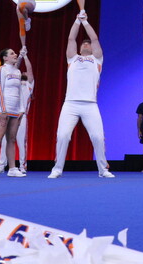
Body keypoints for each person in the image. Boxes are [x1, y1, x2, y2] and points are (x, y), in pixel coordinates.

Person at [48, 13, 114, 179]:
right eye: (83, 43)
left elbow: (95, 38)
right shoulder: (73, 58)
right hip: (70, 104)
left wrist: (85, 22)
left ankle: (103, 169)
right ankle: (57, 169)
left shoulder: (97, 59)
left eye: (88, 43)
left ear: (92, 47)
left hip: (90, 105)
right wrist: (76, 21)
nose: (86, 44)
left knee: (98, 137)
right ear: (79, 48)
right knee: (63, 136)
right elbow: (71, 39)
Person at [0, 47, 26, 178]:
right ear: (5, 58)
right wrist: (3, 110)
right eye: (12, 53)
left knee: (11, 139)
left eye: (15, 53)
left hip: (14, 110)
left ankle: (12, 168)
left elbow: (19, 92)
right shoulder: (0, 70)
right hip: (1, 109)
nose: (15, 54)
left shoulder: (18, 72)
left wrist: (21, 109)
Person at [0, 53, 34, 174]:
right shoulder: (14, 80)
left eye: (24, 73)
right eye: (21, 72)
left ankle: (22, 166)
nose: (23, 72)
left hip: (22, 116)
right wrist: (19, 57)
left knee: (20, 141)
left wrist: (25, 57)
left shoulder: (29, 85)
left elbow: (29, 70)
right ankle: (2, 165)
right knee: (4, 140)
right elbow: (14, 69)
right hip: (10, 111)